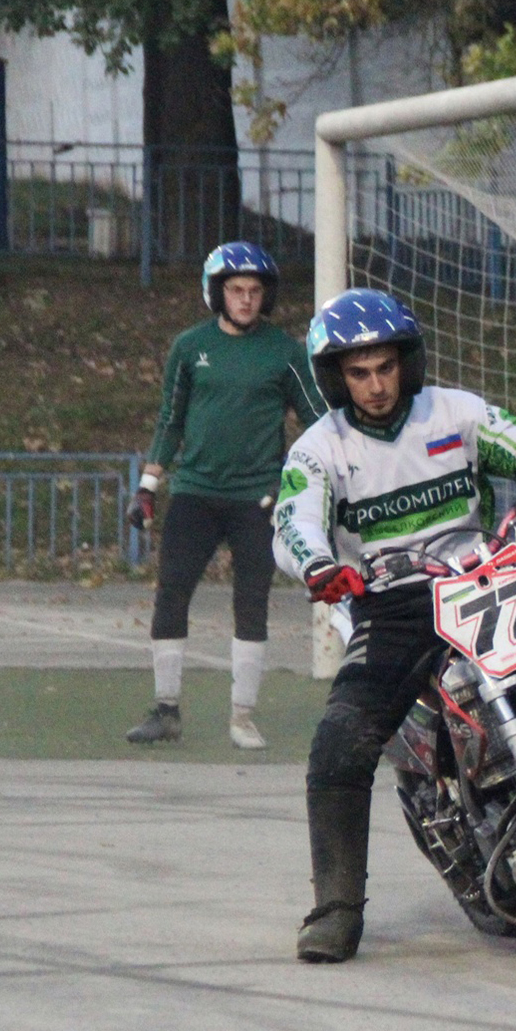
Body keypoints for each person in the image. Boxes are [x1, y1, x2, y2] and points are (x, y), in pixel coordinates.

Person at [274, 288, 516, 964]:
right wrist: (320, 567)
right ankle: (336, 910)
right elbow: (294, 522)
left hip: (484, 573)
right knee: (340, 744)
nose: (375, 385)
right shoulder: (320, 449)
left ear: (407, 361)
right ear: (336, 379)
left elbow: (510, 435)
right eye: (358, 372)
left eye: (384, 367)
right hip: (396, 602)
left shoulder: (453, 411)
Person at [125, 241, 326, 749]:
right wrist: (147, 487)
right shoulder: (189, 348)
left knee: (251, 601)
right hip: (194, 492)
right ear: (217, 293)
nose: (246, 299)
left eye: (255, 291)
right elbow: (170, 421)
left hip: (257, 499)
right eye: (236, 290)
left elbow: (316, 423)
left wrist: (330, 474)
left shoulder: (284, 352)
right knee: (172, 593)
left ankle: (242, 716)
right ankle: (166, 710)